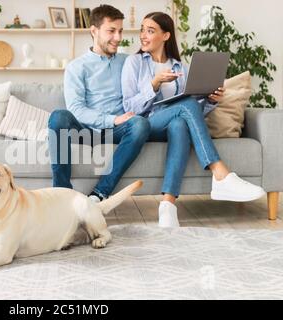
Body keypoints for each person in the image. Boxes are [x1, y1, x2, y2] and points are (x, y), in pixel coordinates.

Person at [121, 12, 265, 227]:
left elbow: (194, 112)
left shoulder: (182, 67)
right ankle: (220, 174)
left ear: (166, 35)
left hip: (173, 126)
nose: (143, 35)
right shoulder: (134, 63)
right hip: (146, 125)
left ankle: (167, 206)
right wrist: (154, 84)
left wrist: (210, 100)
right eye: (142, 30)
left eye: (150, 31)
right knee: (185, 108)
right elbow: (129, 107)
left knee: (181, 121)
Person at [48, 5, 150, 203]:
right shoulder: (77, 67)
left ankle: (99, 194)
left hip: (118, 130)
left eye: (120, 31)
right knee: (58, 116)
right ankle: (61, 193)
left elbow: (144, 91)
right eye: (111, 31)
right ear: (94, 31)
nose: (118, 37)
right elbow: (76, 109)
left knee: (140, 124)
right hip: (85, 130)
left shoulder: (128, 61)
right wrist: (113, 119)